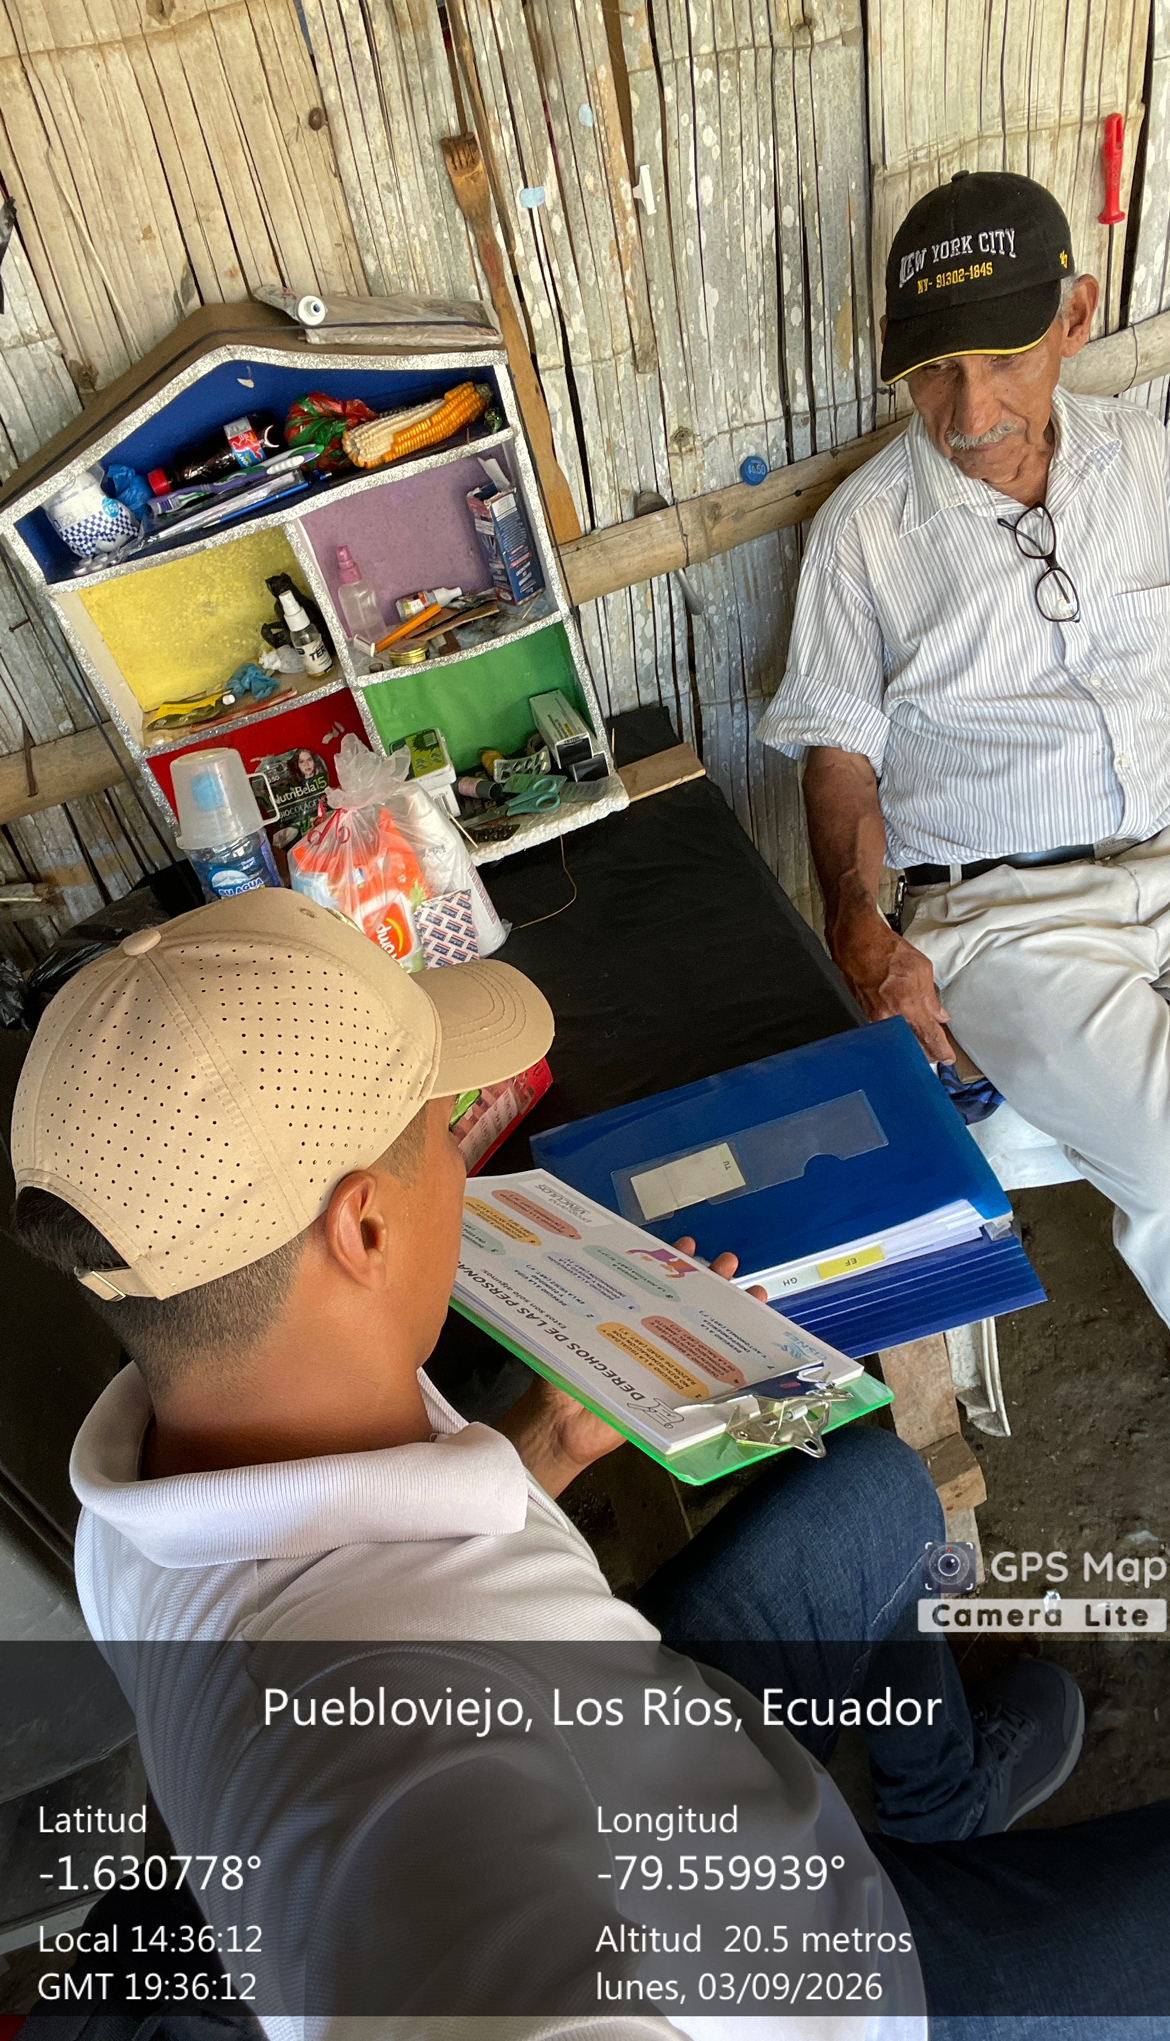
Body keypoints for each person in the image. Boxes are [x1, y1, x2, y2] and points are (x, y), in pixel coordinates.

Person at [10, 889, 1169, 2032]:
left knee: (878, 1495)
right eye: (443, 1130)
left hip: (643, 1754)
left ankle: (941, 1797)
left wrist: (546, 1441)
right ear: (364, 1229)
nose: (461, 1163)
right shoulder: (394, 1766)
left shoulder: (144, 1481)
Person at [758, 167, 1170, 1328]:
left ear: (1075, 317)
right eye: (937, 369)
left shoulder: (1148, 458)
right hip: (1011, 923)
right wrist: (860, 926)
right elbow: (839, 752)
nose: (970, 408)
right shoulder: (865, 534)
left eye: (1003, 358)